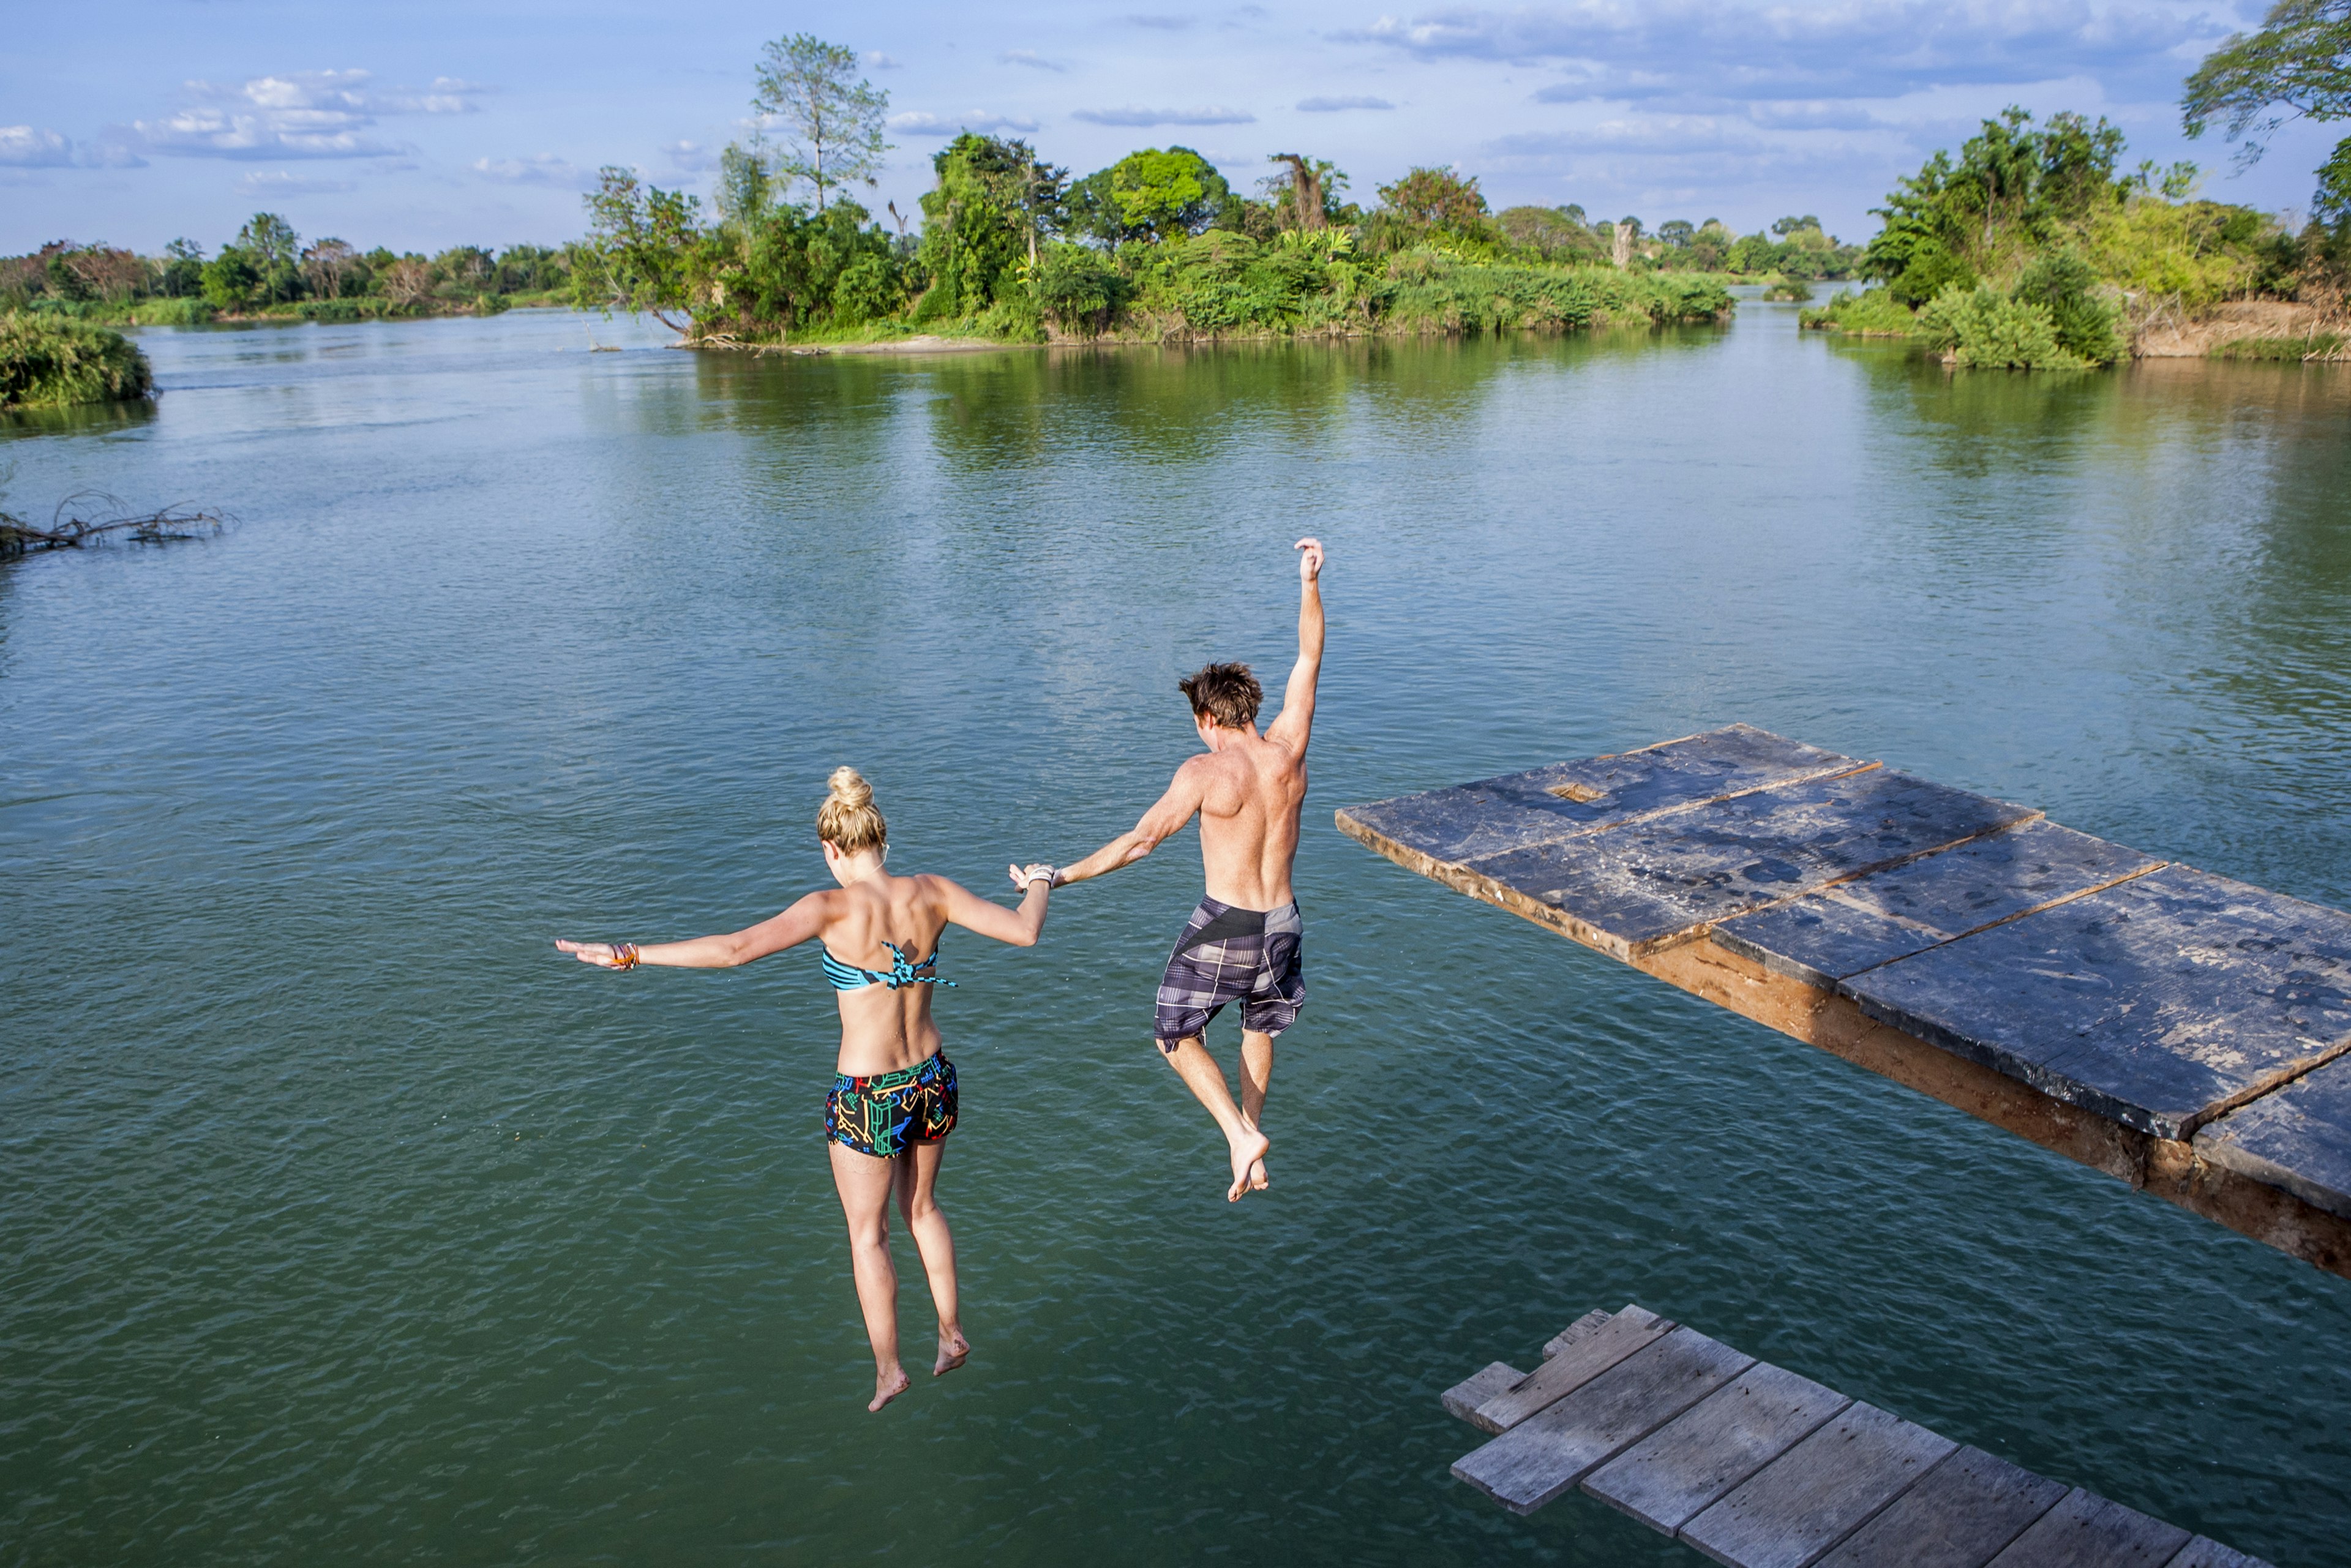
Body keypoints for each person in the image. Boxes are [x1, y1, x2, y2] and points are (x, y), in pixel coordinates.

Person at [556, 767, 1056, 1413]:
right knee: (924, 1209)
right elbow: (1025, 930)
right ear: (882, 838)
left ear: (833, 848)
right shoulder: (933, 892)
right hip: (932, 1078)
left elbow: (734, 949)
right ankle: (952, 1333)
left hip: (868, 1094)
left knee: (868, 1235)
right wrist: (1040, 881)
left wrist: (629, 953)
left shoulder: (828, 906)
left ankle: (888, 1370)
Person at [1051, 538, 1325, 1203]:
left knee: (1173, 1032)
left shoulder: (1204, 771)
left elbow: (1142, 841)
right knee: (1259, 1024)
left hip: (1226, 920)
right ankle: (1251, 1139)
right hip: (1284, 920)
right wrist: (1309, 580)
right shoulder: (1289, 746)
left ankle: (1238, 1134)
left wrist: (1060, 876)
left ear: (1207, 718)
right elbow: (1310, 656)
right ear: (1252, 708)